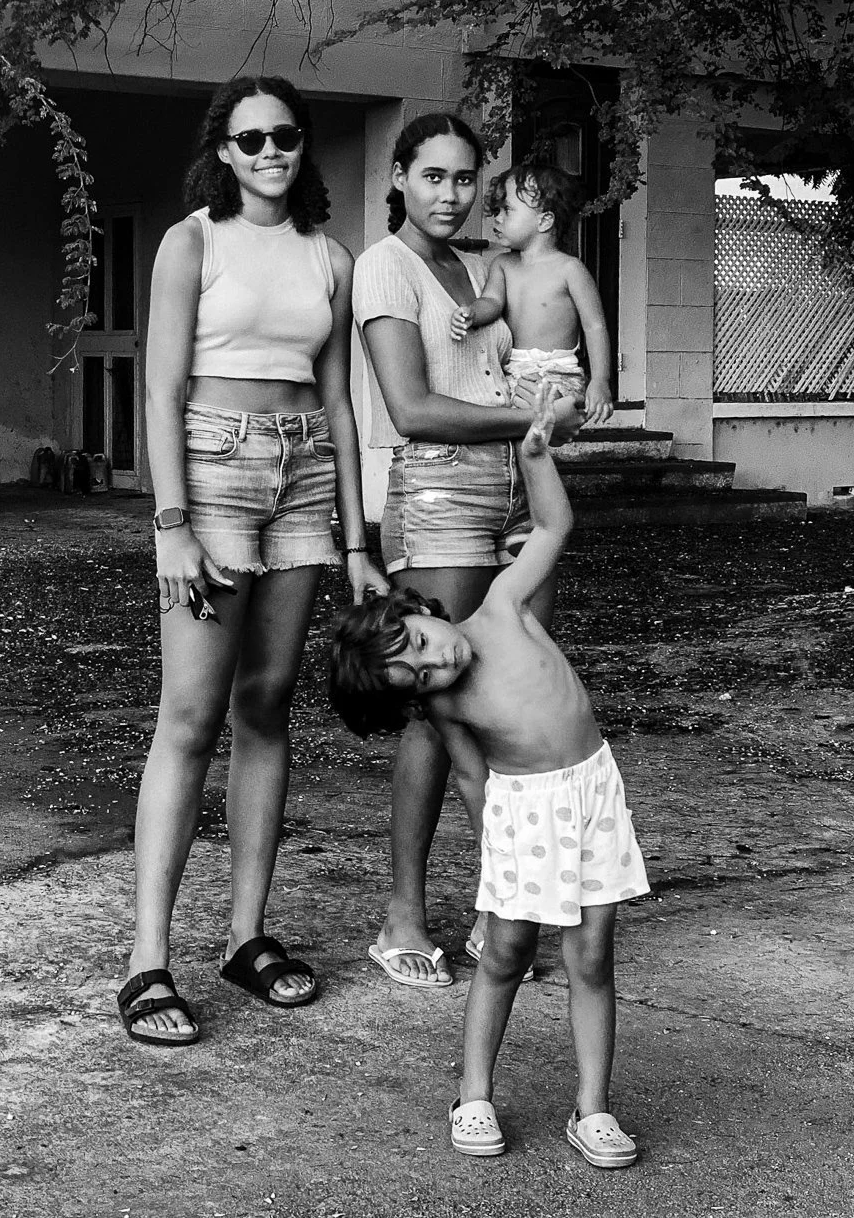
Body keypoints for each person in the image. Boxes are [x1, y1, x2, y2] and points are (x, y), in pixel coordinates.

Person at [117, 74, 388, 1047]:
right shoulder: (193, 240)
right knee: (189, 717)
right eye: (252, 138)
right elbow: (161, 391)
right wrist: (172, 523)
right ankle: (149, 961)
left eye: (286, 137)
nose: (271, 151)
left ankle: (246, 936)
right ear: (223, 151)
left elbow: (344, 403)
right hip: (214, 472)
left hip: (306, 477)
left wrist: (357, 541)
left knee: (268, 702)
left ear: (302, 147)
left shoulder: (330, 256)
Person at [329, 391, 649, 1167]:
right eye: (416, 675)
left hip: (594, 791)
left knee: (593, 956)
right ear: (416, 698)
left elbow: (552, 529)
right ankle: (474, 1094)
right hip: (524, 817)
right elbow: (474, 781)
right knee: (504, 954)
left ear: (419, 608)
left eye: (420, 641)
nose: (434, 660)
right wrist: (495, 856)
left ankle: (592, 1108)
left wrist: (537, 457)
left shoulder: (502, 608)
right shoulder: (449, 709)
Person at [351, 113, 584, 991]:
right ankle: (403, 916)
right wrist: (532, 422)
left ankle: (502, 912)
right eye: (434, 176)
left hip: (518, 487)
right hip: (440, 493)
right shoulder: (385, 267)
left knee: (510, 689)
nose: (451, 195)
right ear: (401, 178)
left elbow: (532, 361)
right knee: (433, 709)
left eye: (465, 180)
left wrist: (554, 413)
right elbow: (411, 407)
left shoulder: (490, 268)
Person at [450, 159, 614, 432]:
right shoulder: (502, 264)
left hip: (560, 373)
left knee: (549, 424)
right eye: (497, 210)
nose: (497, 218)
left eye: (508, 210)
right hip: (512, 372)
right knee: (504, 427)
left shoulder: (569, 269)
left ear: (544, 220)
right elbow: (492, 302)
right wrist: (471, 313)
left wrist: (600, 380)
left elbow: (594, 326)